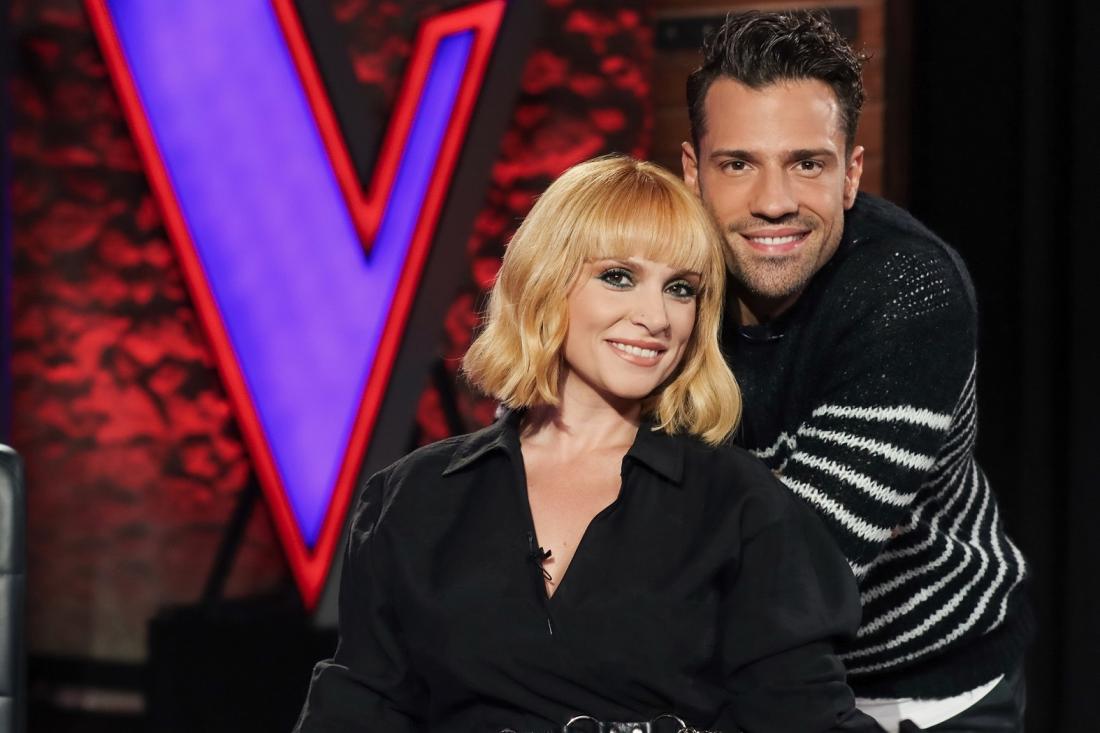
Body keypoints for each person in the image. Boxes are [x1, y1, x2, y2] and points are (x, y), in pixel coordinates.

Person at [294, 155, 877, 732]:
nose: (656, 317)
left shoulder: (740, 505)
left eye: (680, 289)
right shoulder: (413, 497)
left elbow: (805, 717)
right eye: (618, 277)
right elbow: (356, 711)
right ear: (547, 282)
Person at [680, 11, 1031, 732]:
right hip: (734, 687)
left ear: (852, 174)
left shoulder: (910, 288)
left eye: (807, 163)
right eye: (738, 164)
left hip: (926, 692)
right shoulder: (660, 279)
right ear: (693, 172)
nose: (774, 202)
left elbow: (799, 571)